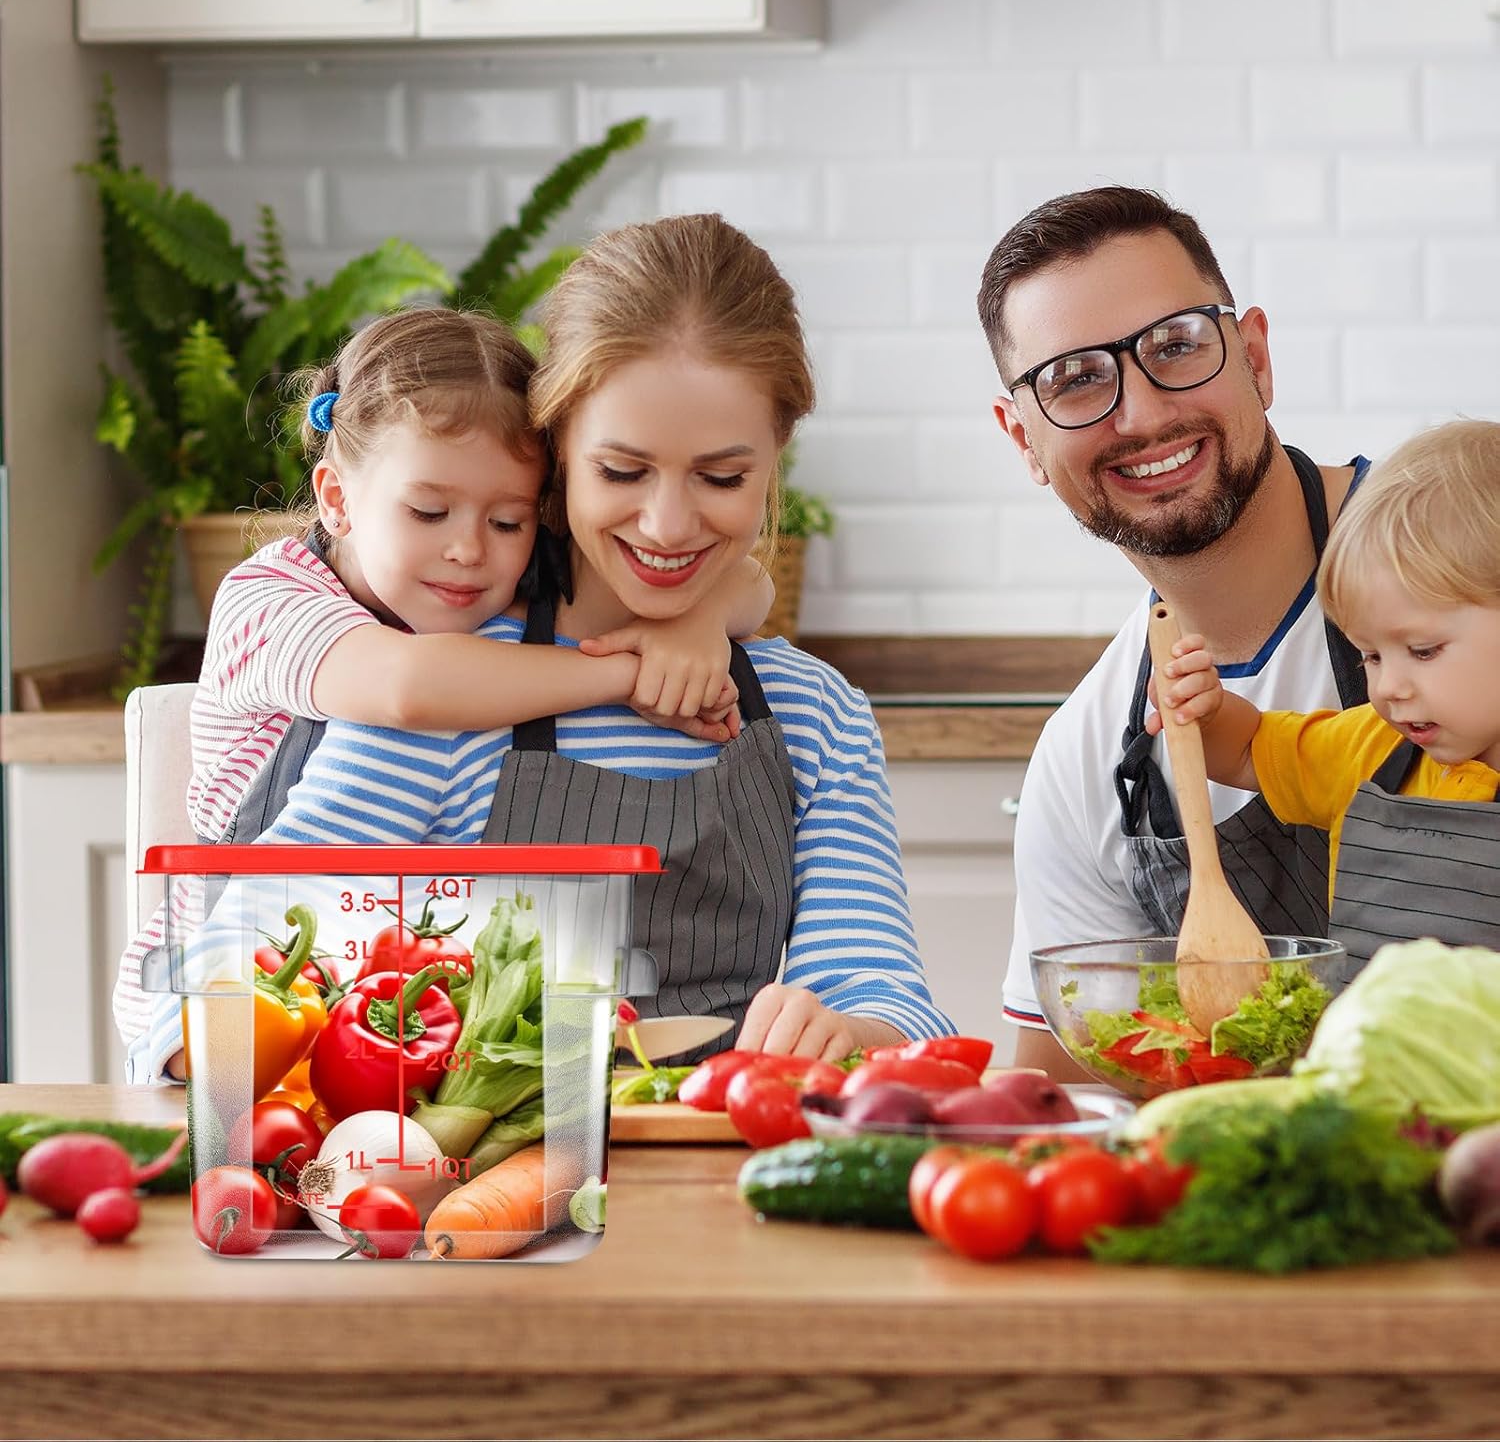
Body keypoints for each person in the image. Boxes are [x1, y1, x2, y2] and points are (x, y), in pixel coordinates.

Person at [137, 213, 955, 1082]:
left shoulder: (812, 711)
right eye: (623, 471)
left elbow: (882, 987)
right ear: (554, 451)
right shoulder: (462, 684)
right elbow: (247, 954)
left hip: (724, 1166)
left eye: (722, 477)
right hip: (477, 1187)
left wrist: (852, 1032)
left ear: (774, 460)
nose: (670, 525)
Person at [114, 305, 771, 1072]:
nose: (468, 549)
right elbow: (409, 687)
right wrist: (632, 674)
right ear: (336, 497)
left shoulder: (494, 582)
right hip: (226, 989)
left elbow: (749, 580)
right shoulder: (270, 600)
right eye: (429, 510)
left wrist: (698, 626)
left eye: (509, 521)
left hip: (393, 1006)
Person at [975, 186, 1373, 1078]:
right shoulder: (1085, 757)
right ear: (1023, 441)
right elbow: (1068, 1102)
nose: (1144, 414)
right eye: (1075, 379)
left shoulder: (1470, 556)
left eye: (1176, 346)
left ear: (1257, 358)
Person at [1151, 420, 1500, 967]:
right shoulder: (1370, 747)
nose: (1388, 688)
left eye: (1424, 651)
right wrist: (1203, 710)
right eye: (1371, 656)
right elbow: (1245, 751)